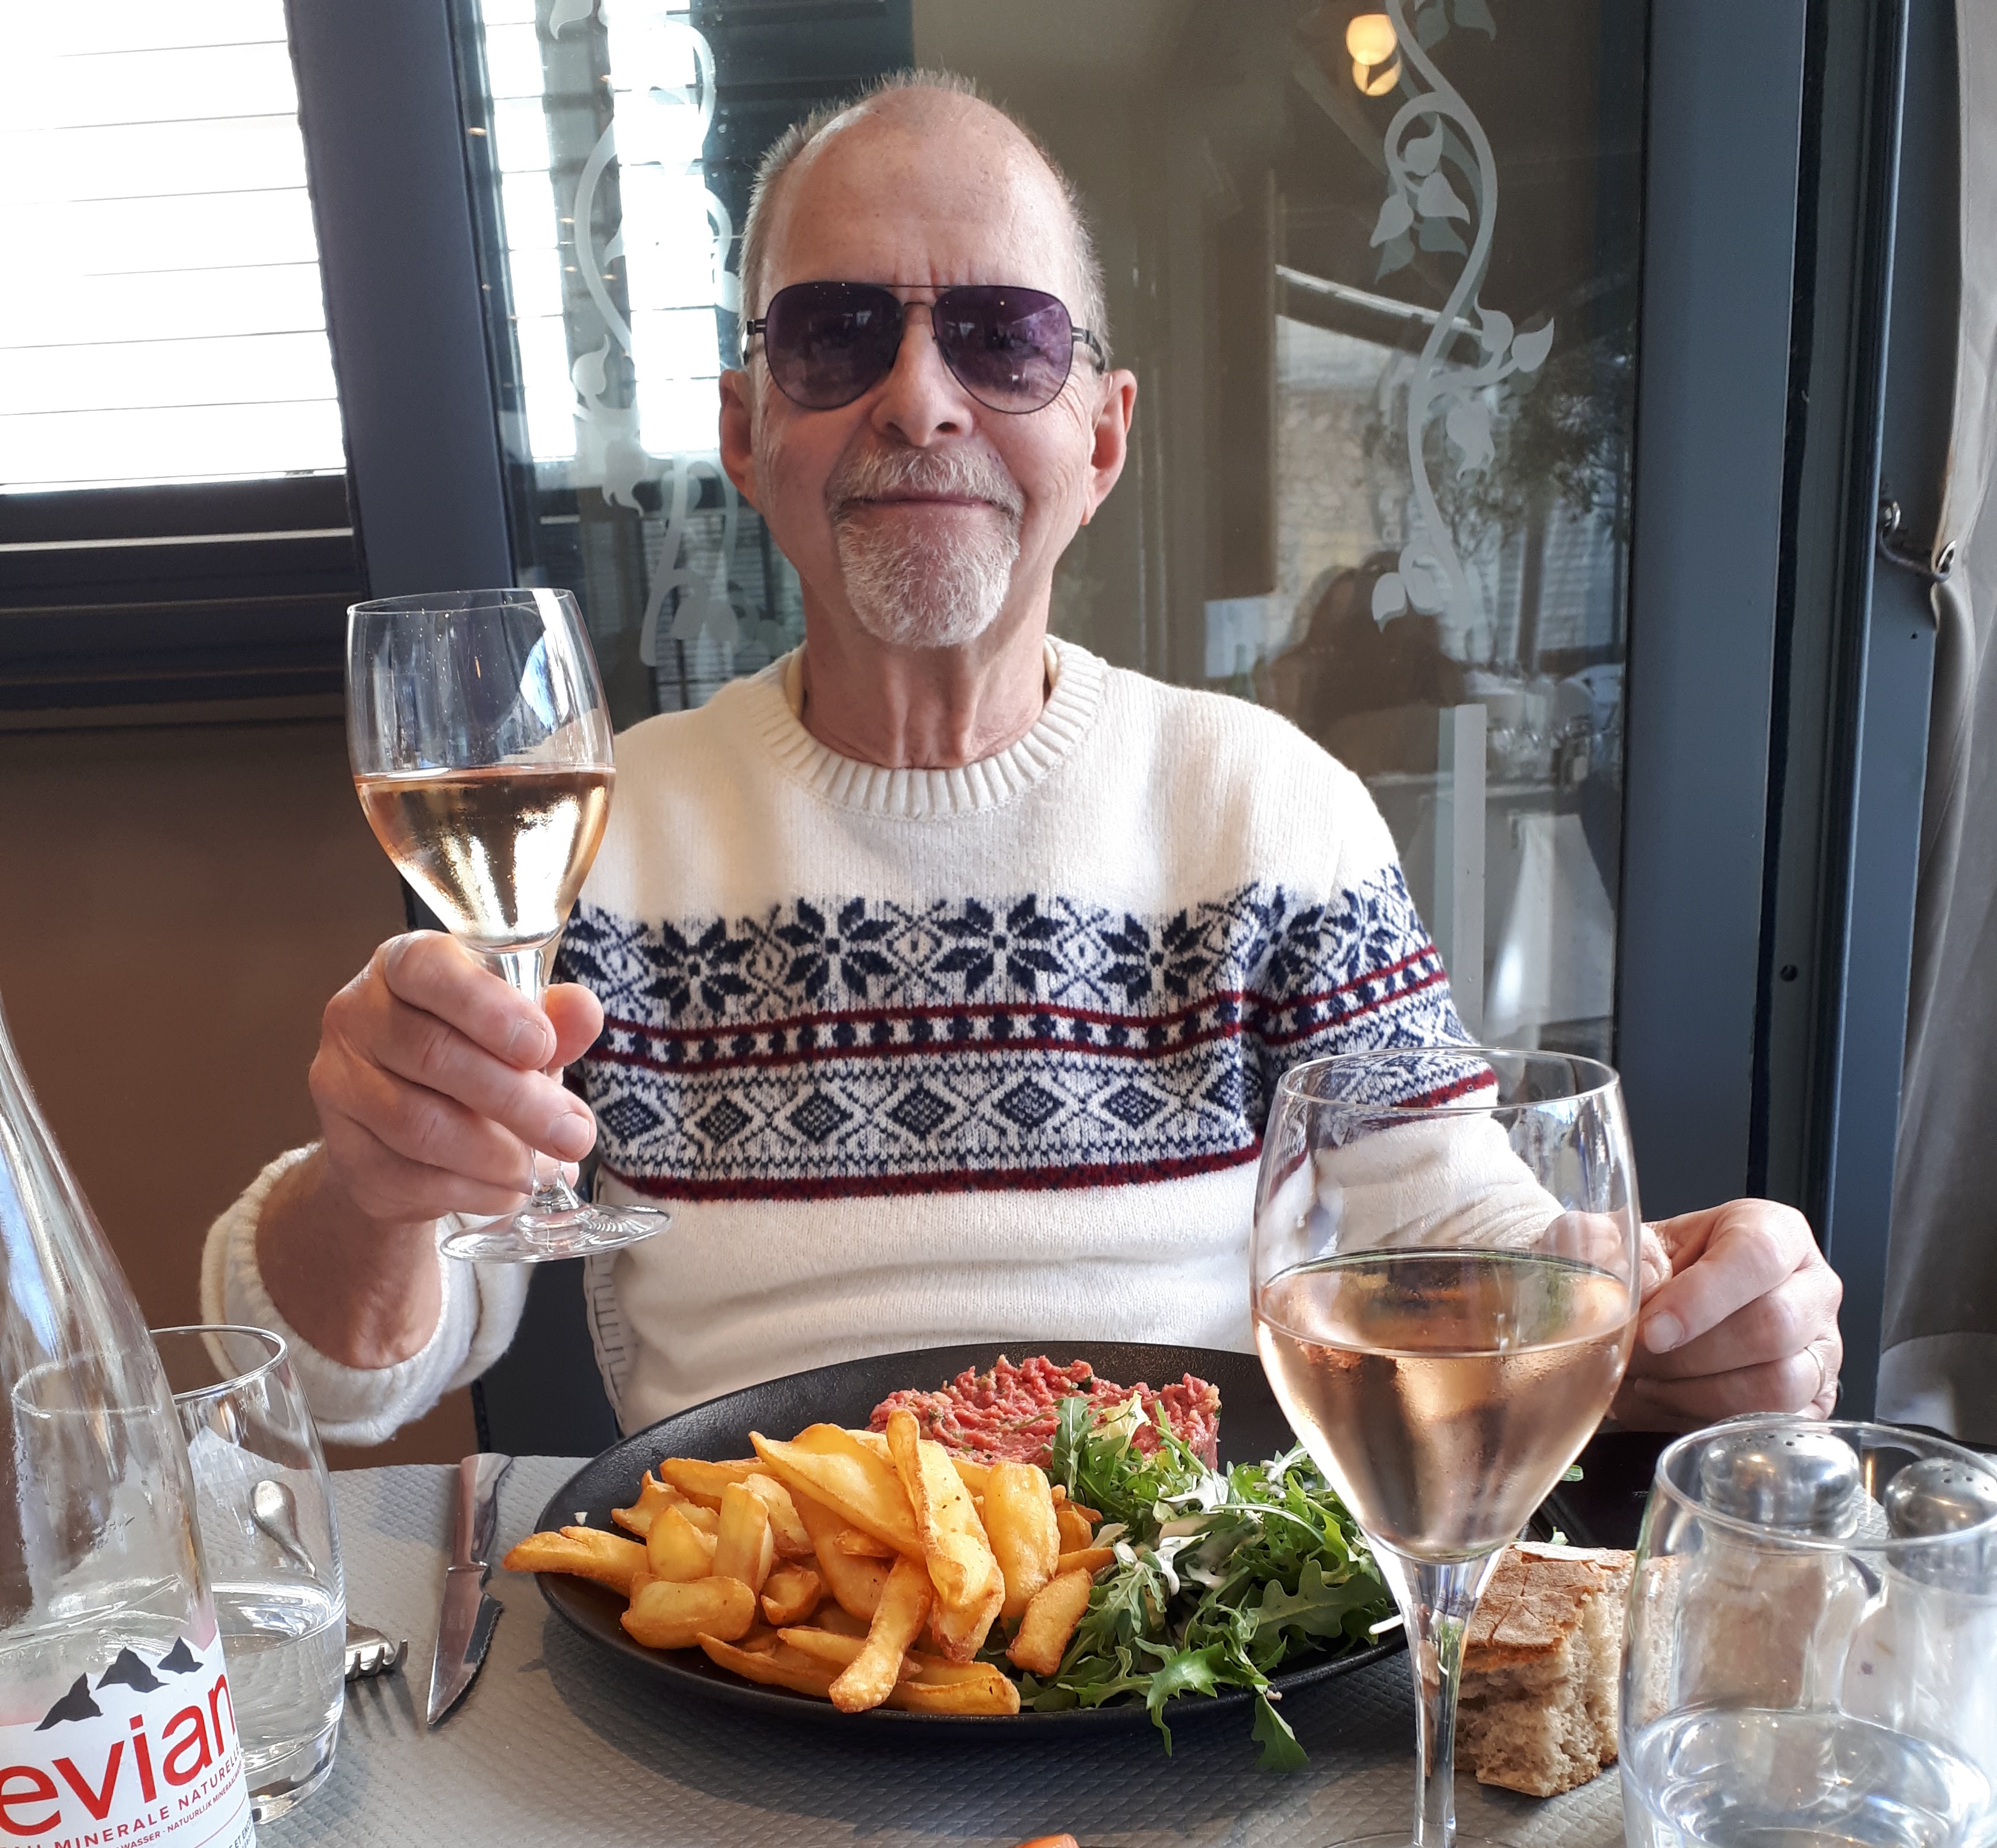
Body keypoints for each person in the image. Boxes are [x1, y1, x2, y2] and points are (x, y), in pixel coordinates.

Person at [206, 73, 1842, 1444]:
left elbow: (1455, 1241)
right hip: (743, 1657)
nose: (921, 399)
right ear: (746, 432)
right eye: (838, 334)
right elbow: (345, 1380)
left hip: (1185, 1643)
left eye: (1002, 338)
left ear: (1102, 436)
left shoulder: (1269, 810)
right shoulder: (600, 847)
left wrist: (1669, 1313)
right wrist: (371, 1186)